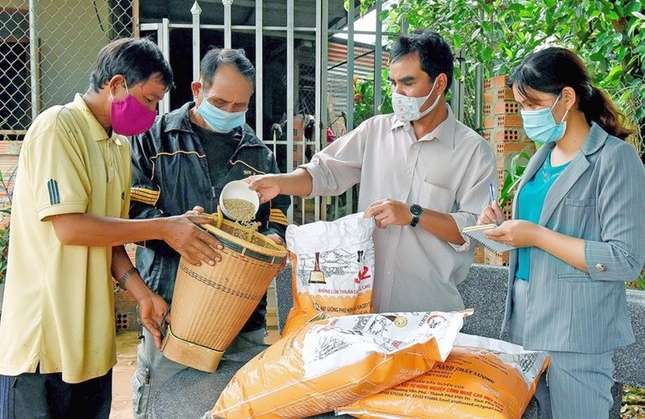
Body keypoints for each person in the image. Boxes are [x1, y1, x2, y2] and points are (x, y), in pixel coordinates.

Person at [0, 37, 223, 419]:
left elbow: (109, 237)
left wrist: (142, 295)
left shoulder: (117, 146)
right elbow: (70, 228)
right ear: (117, 84)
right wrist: (165, 228)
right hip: (44, 344)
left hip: (91, 345)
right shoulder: (58, 127)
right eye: (149, 99)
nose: (153, 113)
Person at [249, 31, 497, 313]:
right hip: (362, 306)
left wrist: (414, 214)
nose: (397, 93)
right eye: (393, 82)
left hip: (429, 313)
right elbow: (325, 172)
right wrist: (278, 183)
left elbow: (476, 229)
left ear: (439, 83)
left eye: (408, 83)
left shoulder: (473, 151)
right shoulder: (375, 131)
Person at [477, 47, 645, 419]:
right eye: (521, 104)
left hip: (578, 331)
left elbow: (625, 259)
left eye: (533, 103)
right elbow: (536, 237)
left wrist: (535, 234)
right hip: (525, 320)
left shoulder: (614, 159)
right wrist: (501, 228)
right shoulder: (541, 157)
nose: (526, 115)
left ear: (567, 97)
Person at [128, 47, 290, 418]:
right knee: (165, 405)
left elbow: (277, 214)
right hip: (172, 308)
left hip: (242, 314)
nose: (230, 112)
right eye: (220, 101)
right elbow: (132, 210)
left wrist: (276, 237)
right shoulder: (155, 139)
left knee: (235, 406)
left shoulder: (258, 154)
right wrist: (172, 230)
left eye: (240, 105)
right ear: (197, 89)